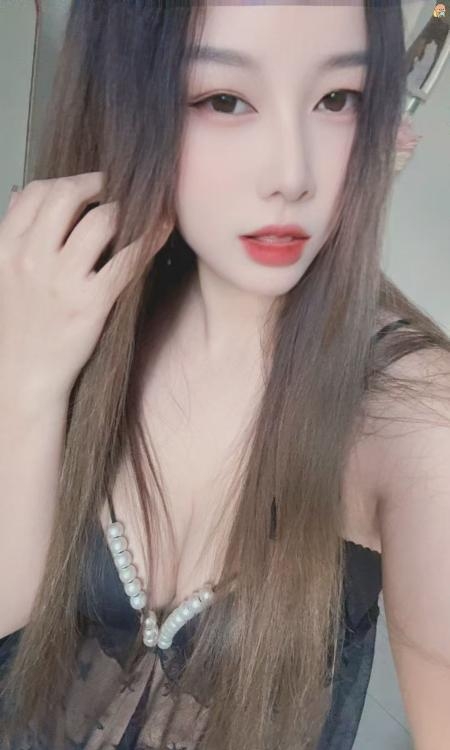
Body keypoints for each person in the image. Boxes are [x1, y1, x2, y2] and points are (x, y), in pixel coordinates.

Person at [1, 2, 450, 749]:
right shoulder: (73, 315)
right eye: (224, 100)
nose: (293, 175)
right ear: (124, 104)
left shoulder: (413, 416)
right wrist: (25, 382)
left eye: (337, 99)